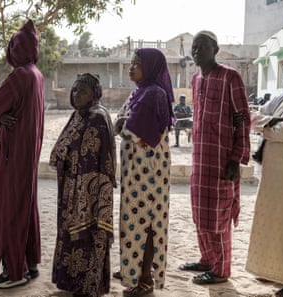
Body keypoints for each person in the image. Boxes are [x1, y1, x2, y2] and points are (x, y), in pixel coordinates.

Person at [178, 31, 250, 285]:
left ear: (215, 49)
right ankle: (207, 259)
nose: (197, 51)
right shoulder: (196, 79)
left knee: (218, 215)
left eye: (203, 47)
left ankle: (221, 270)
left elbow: (242, 118)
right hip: (200, 158)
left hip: (222, 160)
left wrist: (236, 158)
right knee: (201, 212)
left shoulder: (231, 77)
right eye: (194, 47)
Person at [0, 19, 44, 289]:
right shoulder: (37, 74)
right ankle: (30, 263)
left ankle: (13, 272)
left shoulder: (18, 76)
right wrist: (3, 117)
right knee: (26, 206)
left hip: (13, 155)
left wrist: (0, 117)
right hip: (29, 153)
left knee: (9, 209)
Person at [113, 48, 174, 297]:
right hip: (134, 172)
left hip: (149, 173)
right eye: (130, 63)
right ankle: (134, 270)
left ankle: (145, 280)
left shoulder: (155, 94)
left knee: (147, 223)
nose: (131, 68)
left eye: (136, 64)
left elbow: (135, 130)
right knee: (132, 221)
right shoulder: (139, 91)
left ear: (149, 67)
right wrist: (122, 125)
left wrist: (123, 126)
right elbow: (121, 121)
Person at [50, 73, 116, 297]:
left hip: (91, 193)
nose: (77, 95)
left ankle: (89, 286)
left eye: (83, 91)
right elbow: (61, 149)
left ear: (95, 94)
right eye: (75, 90)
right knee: (72, 234)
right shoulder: (78, 115)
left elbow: (96, 158)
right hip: (71, 189)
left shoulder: (97, 117)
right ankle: (72, 283)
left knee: (88, 234)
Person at [246, 58, 283, 297]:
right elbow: (255, 118)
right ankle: (276, 272)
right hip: (273, 175)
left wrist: (266, 125)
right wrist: (269, 122)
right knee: (273, 221)